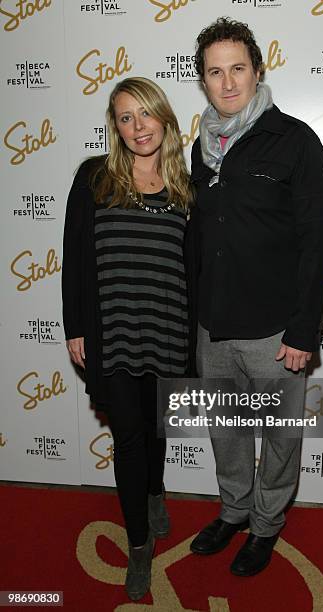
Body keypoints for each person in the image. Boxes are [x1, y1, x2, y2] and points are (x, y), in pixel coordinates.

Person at [189, 18, 323, 576]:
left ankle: (267, 525)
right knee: (225, 431)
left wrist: (302, 332)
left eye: (237, 69)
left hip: (275, 333)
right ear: (202, 80)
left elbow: (316, 241)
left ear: (257, 70)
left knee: (277, 438)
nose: (227, 83)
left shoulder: (295, 140)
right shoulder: (199, 149)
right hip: (213, 328)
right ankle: (233, 510)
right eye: (214, 72)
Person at [62, 77, 193, 601]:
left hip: (169, 328)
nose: (138, 127)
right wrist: (75, 326)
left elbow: (197, 267)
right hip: (112, 330)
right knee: (129, 440)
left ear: (164, 117)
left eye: (146, 114)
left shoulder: (188, 184)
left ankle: (156, 491)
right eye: (125, 117)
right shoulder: (95, 177)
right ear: (114, 127)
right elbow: (74, 258)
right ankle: (139, 544)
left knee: (157, 427)